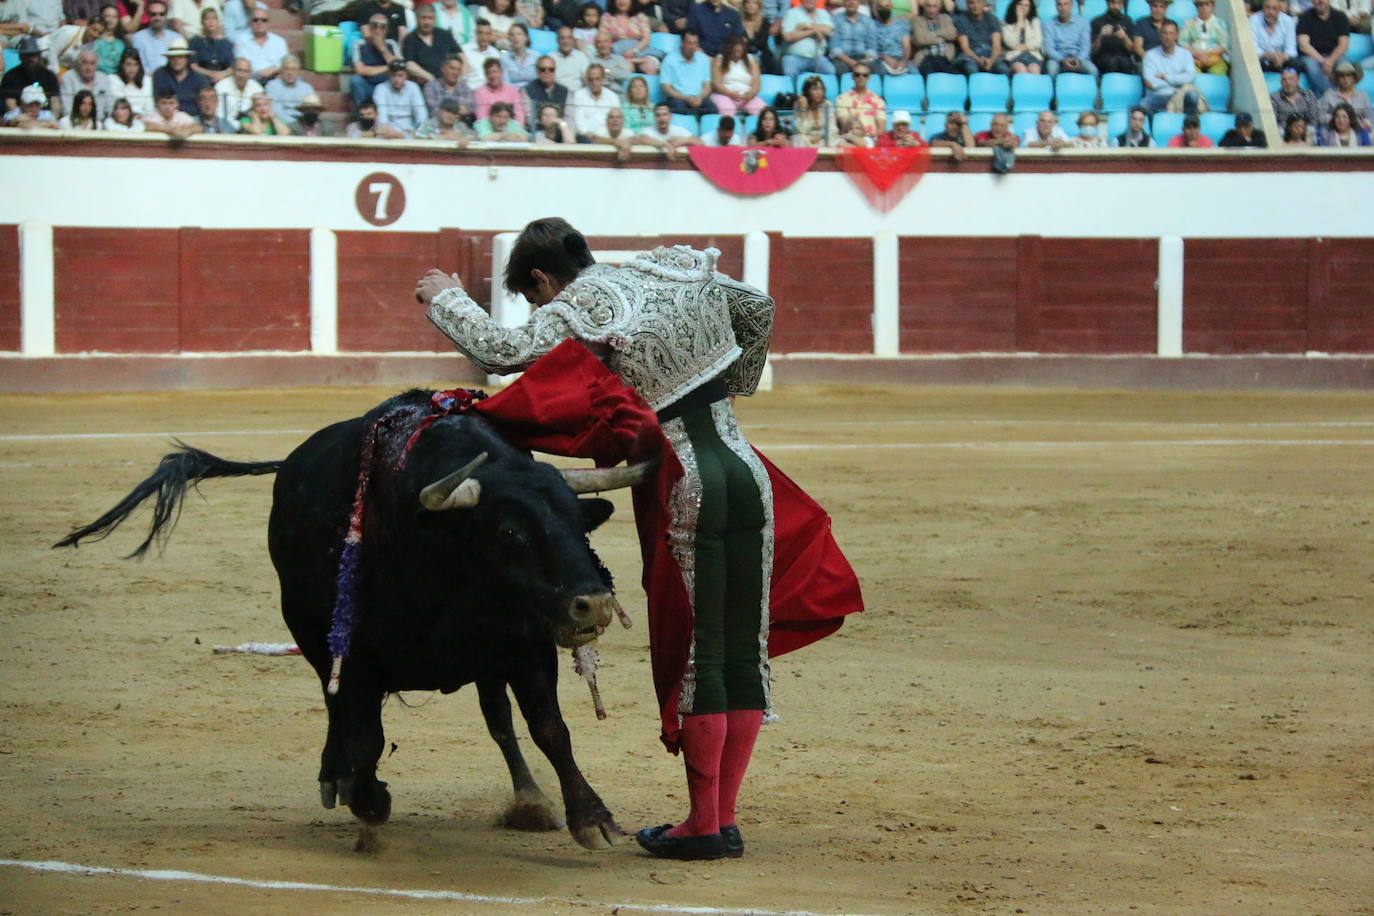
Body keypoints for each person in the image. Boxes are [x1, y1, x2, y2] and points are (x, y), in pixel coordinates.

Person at [417, 217, 861, 863]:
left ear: (541, 278)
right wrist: (733, 380)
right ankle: (719, 817)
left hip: (687, 477)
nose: (549, 317)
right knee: (739, 651)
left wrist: (444, 297)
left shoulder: (586, 300)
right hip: (745, 463)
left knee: (705, 655)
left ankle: (705, 826)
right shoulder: (667, 268)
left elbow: (500, 353)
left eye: (538, 300)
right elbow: (756, 308)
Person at [1141, 20, 1199, 113]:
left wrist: (1165, 77)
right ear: (1160, 35)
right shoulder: (1150, 55)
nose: (1168, 37)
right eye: (1165, 33)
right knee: (1144, 103)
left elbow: (1190, 77)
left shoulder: (1185, 54)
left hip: (1180, 94)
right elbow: (1149, 83)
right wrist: (1177, 82)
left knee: (1192, 95)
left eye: (1171, 33)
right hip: (1159, 96)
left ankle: (1190, 126)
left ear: (1177, 35)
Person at [1296, 0, 1350, 94]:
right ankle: (1331, 96)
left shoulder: (1340, 16)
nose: (1320, 1)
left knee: (1345, 66)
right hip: (1312, 56)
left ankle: (1349, 96)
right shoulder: (1304, 17)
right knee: (1312, 67)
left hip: (1334, 55)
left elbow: (1343, 44)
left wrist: (1330, 60)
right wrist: (1323, 61)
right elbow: (1303, 45)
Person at [2, 37, 61, 116]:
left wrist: (51, 120)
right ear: (20, 57)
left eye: (33, 55)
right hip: (18, 119)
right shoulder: (10, 76)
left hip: (45, 119)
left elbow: (55, 103)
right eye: (26, 55)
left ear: (39, 56)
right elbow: (10, 104)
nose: (29, 58)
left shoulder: (49, 76)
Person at [404, 3, 462, 83]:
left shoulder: (445, 35)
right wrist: (431, 78)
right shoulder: (410, 39)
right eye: (423, 18)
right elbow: (409, 64)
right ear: (417, 19)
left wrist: (460, 77)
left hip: (450, 82)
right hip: (424, 83)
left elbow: (461, 56)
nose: (427, 22)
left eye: (430, 18)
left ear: (435, 19)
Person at [662, 28, 714, 115]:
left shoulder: (703, 59)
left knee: (713, 110)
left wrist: (700, 97)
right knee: (680, 108)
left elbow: (707, 86)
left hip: (699, 98)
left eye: (695, 43)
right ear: (682, 43)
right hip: (678, 97)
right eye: (689, 43)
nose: (692, 47)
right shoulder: (669, 60)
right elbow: (666, 88)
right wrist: (686, 98)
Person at [600, 0, 659, 77]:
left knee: (650, 66)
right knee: (627, 66)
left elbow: (646, 39)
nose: (622, 2)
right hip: (618, 54)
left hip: (640, 52)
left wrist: (634, 50)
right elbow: (602, 38)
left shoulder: (640, 16)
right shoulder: (607, 17)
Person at [709, 34, 762, 118]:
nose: (737, 53)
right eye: (735, 51)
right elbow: (716, 84)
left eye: (739, 51)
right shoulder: (719, 59)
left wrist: (750, 94)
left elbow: (757, 83)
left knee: (763, 112)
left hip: (747, 96)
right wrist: (730, 94)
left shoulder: (751, 60)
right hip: (724, 94)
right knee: (728, 112)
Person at [351, 14, 400, 106]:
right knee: (355, 80)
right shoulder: (359, 44)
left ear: (386, 30)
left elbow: (398, 67)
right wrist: (388, 67)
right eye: (374, 26)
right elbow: (360, 70)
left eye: (382, 27)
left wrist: (382, 49)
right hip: (368, 85)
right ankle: (363, 113)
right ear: (369, 28)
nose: (378, 30)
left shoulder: (392, 44)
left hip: (387, 85)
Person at [780, 0, 835, 79]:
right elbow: (788, 37)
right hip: (795, 57)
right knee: (790, 71)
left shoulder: (823, 13)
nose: (809, 1)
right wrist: (813, 32)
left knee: (830, 71)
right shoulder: (791, 13)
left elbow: (828, 31)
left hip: (817, 57)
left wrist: (806, 26)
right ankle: (793, 91)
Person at [233, 1, 286, 82]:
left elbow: (284, 64)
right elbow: (240, 65)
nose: (259, 22)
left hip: (275, 78)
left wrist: (273, 70)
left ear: (268, 23)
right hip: (250, 80)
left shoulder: (279, 41)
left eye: (263, 20)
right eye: (255, 20)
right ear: (250, 23)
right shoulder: (241, 40)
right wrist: (259, 73)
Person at [152, 35, 206, 113]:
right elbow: (158, 101)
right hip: (165, 117)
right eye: (173, 57)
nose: (176, 60)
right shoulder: (159, 75)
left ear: (187, 58)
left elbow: (202, 103)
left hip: (192, 118)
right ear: (168, 59)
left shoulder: (198, 78)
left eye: (180, 57)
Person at [374, 57, 427, 134]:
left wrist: (418, 130)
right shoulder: (381, 88)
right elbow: (382, 116)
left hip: (411, 129)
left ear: (406, 76)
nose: (396, 79)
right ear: (389, 75)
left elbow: (421, 113)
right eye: (393, 75)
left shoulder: (413, 87)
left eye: (400, 75)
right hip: (389, 130)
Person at [1043, 0, 1095, 77]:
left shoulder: (1083, 22)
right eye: (1059, 5)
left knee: (1093, 71)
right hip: (1058, 58)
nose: (1063, 8)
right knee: (1051, 69)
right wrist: (1062, 60)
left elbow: (1085, 47)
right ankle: (1054, 89)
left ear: (1072, 5)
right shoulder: (1048, 24)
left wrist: (1078, 60)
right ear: (1056, 7)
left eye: (1066, 4)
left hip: (1079, 57)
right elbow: (1049, 48)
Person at [834, 61, 885, 138]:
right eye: (857, 75)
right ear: (852, 77)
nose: (861, 77)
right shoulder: (842, 99)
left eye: (865, 75)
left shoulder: (878, 100)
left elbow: (881, 129)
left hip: (872, 140)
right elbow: (845, 126)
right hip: (851, 139)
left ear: (869, 77)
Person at [1317, 59, 1371, 131]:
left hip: (1359, 129)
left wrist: (1365, 123)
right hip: (1334, 131)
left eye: (1349, 75)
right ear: (1337, 78)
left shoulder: (1362, 95)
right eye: (1342, 76)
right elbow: (1321, 115)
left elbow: (1370, 115)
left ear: (1354, 78)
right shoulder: (1329, 94)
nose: (1345, 79)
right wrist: (1334, 121)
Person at [60, 48, 114, 120]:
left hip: (100, 123)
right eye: (85, 63)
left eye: (92, 63)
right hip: (76, 122)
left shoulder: (103, 79)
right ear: (78, 64)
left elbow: (110, 106)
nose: (89, 68)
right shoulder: (68, 78)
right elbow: (67, 109)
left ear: (96, 65)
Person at [568, 60, 617, 137]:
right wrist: (588, 134)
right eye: (591, 79)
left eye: (597, 79)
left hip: (608, 137)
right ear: (587, 80)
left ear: (603, 79)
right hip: (586, 137)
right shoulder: (579, 95)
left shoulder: (612, 96)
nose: (594, 82)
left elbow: (616, 120)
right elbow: (578, 121)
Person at [1178, 0, 1228, 75]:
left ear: (1212, 6)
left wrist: (1207, 54)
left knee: (1218, 72)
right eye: (1200, 5)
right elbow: (1182, 43)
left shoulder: (1220, 23)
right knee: (1191, 73)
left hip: (1214, 57)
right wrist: (1197, 54)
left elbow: (1224, 44)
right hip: (1193, 57)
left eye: (1207, 4)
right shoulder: (1188, 23)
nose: (1204, 8)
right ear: (1197, 7)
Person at [911, 0, 959, 75]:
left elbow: (952, 34)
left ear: (939, 7)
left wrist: (931, 34)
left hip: (945, 57)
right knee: (930, 74)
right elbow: (919, 39)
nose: (931, 10)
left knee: (956, 75)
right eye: (928, 6)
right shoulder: (917, 20)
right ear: (923, 7)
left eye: (934, 6)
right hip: (926, 58)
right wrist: (942, 38)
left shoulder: (945, 18)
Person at [829, 0, 877, 75]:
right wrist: (852, 63)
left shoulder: (868, 21)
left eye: (855, 0)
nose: (851, 2)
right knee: (839, 69)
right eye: (848, 0)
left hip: (863, 59)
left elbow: (872, 46)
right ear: (843, 3)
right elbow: (834, 47)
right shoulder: (835, 20)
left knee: (878, 68)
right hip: (842, 59)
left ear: (859, 3)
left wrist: (863, 62)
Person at [1090, 0, 1136, 74]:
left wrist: (1124, 37)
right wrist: (1100, 36)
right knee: (1111, 62)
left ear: (1122, 4)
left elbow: (1132, 50)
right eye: (1112, 3)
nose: (1115, 6)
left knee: (1125, 63)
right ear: (1107, 3)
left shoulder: (1128, 20)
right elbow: (1092, 51)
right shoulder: (1097, 21)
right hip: (1103, 58)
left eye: (1118, 3)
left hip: (1123, 57)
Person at [189, 7, 234, 82]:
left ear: (218, 22)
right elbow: (193, 66)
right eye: (207, 19)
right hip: (200, 78)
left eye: (214, 19)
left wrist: (222, 74)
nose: (211, 22)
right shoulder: (195, 41)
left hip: (222, 78)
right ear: (202, 22)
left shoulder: (226, 43)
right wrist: (210, 74)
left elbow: (232, 67)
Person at [1251, 0, 1297, 72]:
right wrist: (1267, 55)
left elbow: (1291, 47)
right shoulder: (1254, 19)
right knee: (1254, 62)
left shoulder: (1288, 21)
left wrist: (1283, 57)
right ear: (1263, 8)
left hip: (1281, 58)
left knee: (1298, 63)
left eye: (1274, 8)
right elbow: (1252, 46)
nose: (1270, 12)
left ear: (1279, 10)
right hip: (1263, 58)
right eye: (1267, 8)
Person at [791, 72, 837, 145]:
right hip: (807, 139)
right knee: (799, 138)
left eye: (821, 89)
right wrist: (804, 108)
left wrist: (821, 136)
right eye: (814, 89)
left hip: (823, 138)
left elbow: (832, 129)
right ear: (807, 92)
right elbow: (802, 130)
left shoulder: (827, 104)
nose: (818, 92)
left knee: (835, 140)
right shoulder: (799, 104)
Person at [427, 53, 476, 117]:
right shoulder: (431, 87)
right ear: (443, 69)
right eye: (452, 68)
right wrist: (457, 109)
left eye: (458, 69)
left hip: (461, 124)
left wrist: (446, 110)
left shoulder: (465, 88)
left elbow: (470, 109)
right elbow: (434, 110)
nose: (455, 72)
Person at [129, 0, 173, 71]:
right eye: (153, 14)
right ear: (148, 15)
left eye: (161, 14)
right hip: (146, 78)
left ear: (166, 15)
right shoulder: (138, 38)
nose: (157, 18)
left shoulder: (175, 38)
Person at [1001, 0, 1042, 74]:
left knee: (1034, 69)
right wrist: (1019, 21)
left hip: (1033, 55)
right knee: (1021, 69)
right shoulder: (1007, 23)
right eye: (1020, 4)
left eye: (1026, 5)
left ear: (1030, 8)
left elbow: (1037, 42)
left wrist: (1022, 47)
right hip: (1015, 56)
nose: (1023, 8)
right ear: (1015, 5)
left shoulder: (1034, 21)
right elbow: (1010, 43)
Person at [215, 54, 260, 119]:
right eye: (239, 70)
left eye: (245, 71)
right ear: (233, 71)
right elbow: (218, 113)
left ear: (250, 74)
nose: (241, 75)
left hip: (250, 124)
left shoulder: (257, 88)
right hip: (226, 125)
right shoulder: (220, 87)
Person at [872, 0, 910, 76]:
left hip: (900, 58)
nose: (884, 9)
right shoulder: (872, 25)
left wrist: (903, 61)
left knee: (914, 73)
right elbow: (871, 48)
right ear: (876, 9)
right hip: (881, 59)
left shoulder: (902, 24)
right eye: (880, 7)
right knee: (880, 72)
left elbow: (906, 47)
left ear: (892, 7)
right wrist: (885, 58)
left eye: (887, 6)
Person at [88, 5, 128, 74]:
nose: (111, 20)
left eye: (114, 17)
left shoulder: (122, 43)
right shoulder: (94, 39)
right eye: (107, 16)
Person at [112, 45, 152, 112]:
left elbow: (149, 106)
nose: (132, 69)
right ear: (122, 65)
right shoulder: (114, 79)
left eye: (135, 64)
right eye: (128, 64)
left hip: (143, 118)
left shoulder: (146, 80)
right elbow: (120, 104)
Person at [551, 25, 590, 91]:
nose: (566, 41)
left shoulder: (581, 56)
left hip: (578, 94)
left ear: (573, 40)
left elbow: (586, 78)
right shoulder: (551, 57)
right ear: (557, 40)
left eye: (569, 38)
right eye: (562, 38)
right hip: (558, 95)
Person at [501, 21, 538, 88]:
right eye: (512, 35)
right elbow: (505, 83)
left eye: (519, 34)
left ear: (526, 37)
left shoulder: (536, 56)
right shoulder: (504, 58)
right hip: (512, 94)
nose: (515, 37)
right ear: (509, 39)